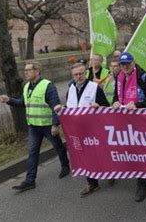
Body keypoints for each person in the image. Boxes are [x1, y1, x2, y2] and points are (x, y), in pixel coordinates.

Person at [0, 61, 70, 192]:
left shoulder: (48, 85)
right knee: (32, 152)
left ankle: (65, 165)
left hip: (48, 125)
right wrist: (9, 100)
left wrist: (55, 124)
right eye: (25, 70)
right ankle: (30, 181)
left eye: (29, 70)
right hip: (33, 127)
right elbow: (23, 103)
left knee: (58, 146)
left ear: (37, 71)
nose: (25, 72)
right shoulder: (26, 86)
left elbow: (55, 106)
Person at [54, 63, 110, 197]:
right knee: (85, 156)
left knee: (100, 154)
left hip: (95, 129)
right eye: (75, 74)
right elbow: (70, 106)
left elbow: (106, 107)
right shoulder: (71, 89)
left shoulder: (94, 88)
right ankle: (92, 183)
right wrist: (62, 109)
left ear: (86, 73)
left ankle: (109, 171)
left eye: (81, 74)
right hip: (78, 130)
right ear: (72, 75)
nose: (78, 77)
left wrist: (98, 106)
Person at [112, 52, 146, 202]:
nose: (125, 67)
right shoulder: (119, 77)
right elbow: (116, 97)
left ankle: (142, 183)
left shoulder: (143, 77)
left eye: (128, 64)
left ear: (133, 63)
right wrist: (115, 103)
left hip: (141, 120)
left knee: (140, 150)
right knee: (130, 149)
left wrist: (137, 105)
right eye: (122, 65)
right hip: (124, 120)